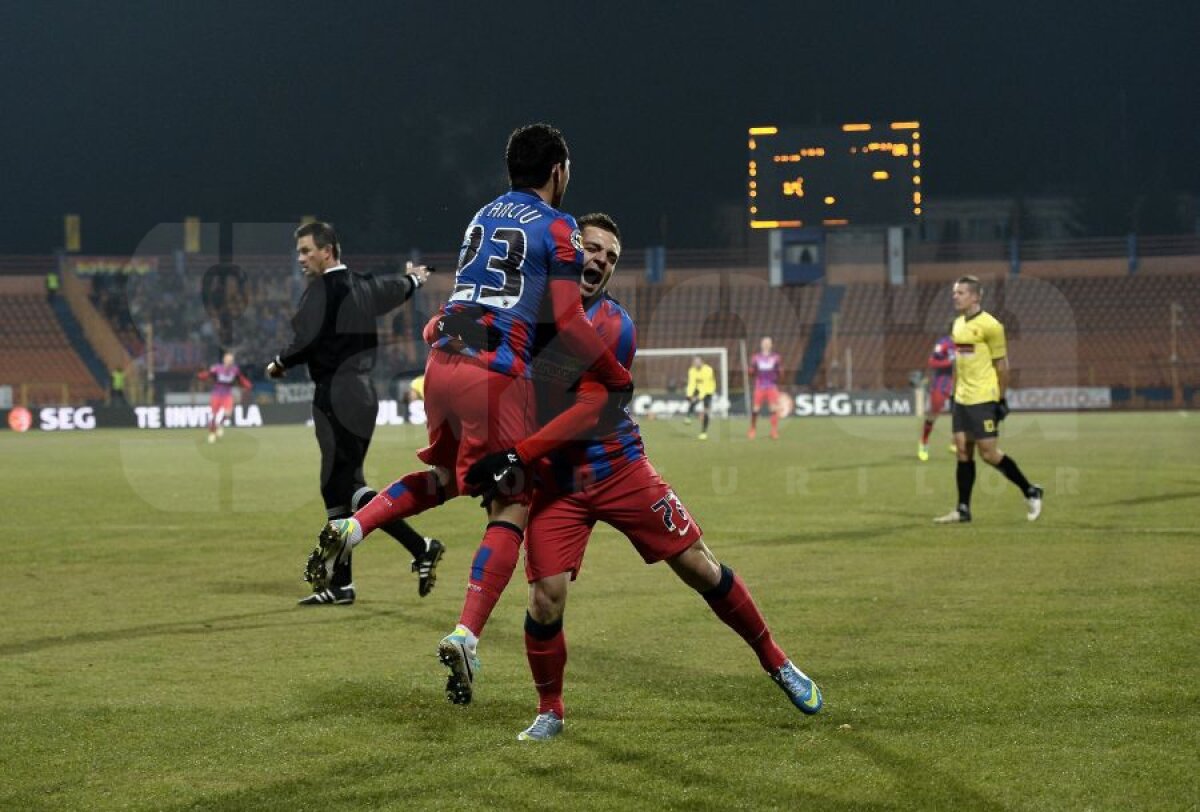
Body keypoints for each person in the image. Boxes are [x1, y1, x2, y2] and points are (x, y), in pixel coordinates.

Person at [460, 213, 821, 739]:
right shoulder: (526, 311)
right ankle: (550, 711)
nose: (601, 260)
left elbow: (590, 411)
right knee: (544, 599)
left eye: (611, 257)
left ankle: (777, 662)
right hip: (557, 485)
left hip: (619, 467)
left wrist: (516, 454)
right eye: (595, 248)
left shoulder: (614, 327)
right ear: (571, 251)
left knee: (699, 566)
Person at [305, 124, 632, 654]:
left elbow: (468, 307)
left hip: (443, 363)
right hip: (496, 379)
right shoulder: (559, 228)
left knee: (444, 477)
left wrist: (446, 332)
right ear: (558, 171)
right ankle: (466, 635)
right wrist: (617, 379)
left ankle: (355, 528)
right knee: (511, 504)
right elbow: (570, 321)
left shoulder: (483, 216)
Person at [267, 221, 444, 605]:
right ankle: (342, 584)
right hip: (363, 393)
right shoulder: (365, 285)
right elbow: (398, 287)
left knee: (344, 488)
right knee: (339, 486)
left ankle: (420, 547)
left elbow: (303, 339)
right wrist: (415, 279)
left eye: (306, 251)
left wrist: (279, 362)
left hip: (336, 394)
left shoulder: (322, 291)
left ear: (327, 251)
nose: (300, 258)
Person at [934, 275, 1043, 524]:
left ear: (975, 296)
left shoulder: (992, 326)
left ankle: (1030, 491)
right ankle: (963, 509)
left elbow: (1002, 366)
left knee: (989, 453)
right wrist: (953, 392)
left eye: (960, 293)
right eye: (954, 292)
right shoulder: (957, 324)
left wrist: (1001, 399)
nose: (955, 296)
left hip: (983, 398)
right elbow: (958, 361)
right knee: (963, 451)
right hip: (961, 398)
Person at [196, 351, 250, 443]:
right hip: (216, 394)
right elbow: (208, 374)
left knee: (228, 413)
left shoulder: (235, 370)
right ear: (224, 360)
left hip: (227, 395)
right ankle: (212, 434)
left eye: (231, 360)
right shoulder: (217, 368)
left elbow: (240, 378)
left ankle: (220, 425)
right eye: (228, 360)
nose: (230, 362)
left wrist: (247, 384)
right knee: (213, 416)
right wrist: (201, 376)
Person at [918, 333, 955, 461]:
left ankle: (955, 442)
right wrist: (949, 362)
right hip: (942, 384)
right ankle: (924, 442)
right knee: (934, 414)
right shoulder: (943, 343)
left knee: (963, 413)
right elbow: (932, 362)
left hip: (961, 383)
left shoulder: (967, 342)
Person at [748, 336, 782, 440]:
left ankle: (774, 431)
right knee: (756, 409)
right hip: (760, 386)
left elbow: (779, 371)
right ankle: (753, 429)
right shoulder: (755, 357)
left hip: (771, 386)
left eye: (768, 342)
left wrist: (777, 377)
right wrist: (751, 371)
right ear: (761, 344)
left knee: (773, 408)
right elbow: (751, 371)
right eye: (765, 342)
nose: (766, 344)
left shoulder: (776, 357)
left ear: (771, 345)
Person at [683, 355, 716, 439]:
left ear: (702, 362)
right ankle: (688, 416)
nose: (696, 364)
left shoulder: (708, 370)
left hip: (708, 391)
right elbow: (691, 383)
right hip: (698, 389)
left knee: (706, 412)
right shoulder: (692, 370)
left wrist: (698, 397)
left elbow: (705, 386)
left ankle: (703, 432)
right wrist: (689, 394)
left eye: (698, 362)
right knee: (692, 401)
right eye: (694, 362)